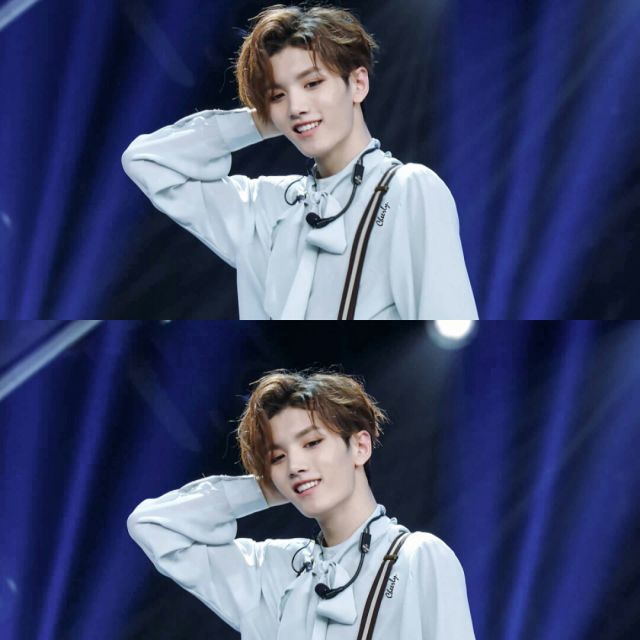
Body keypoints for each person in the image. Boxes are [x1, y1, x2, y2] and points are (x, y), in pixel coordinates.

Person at [121, 4, 478, 320]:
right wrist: (259, 121)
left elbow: (448, 309)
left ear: (358, 83)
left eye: (312, 83)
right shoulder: (267, 205)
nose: (296, 107)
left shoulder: (408, 189)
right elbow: (147, 161)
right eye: (278, 95)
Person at [127, 370, 476, 639]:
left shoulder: (418, 557)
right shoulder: (275, 570)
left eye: (311, 443)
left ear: (360, 446)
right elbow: (154, 526)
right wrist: (266, 488)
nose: (295, 465)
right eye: (278, 456)